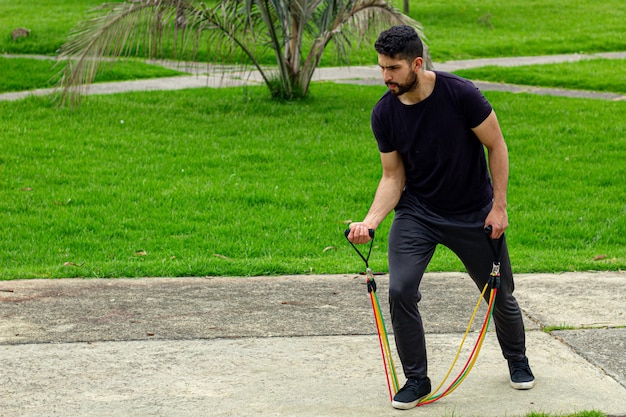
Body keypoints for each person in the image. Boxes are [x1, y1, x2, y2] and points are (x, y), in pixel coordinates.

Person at [347, 25, 535, 410]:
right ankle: (417, 379)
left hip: (472, 213)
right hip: (418, 213)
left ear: (417, 63)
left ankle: (517, 359)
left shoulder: (461, 94)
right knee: (399, 291)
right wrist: (371, 221)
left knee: (500, 295)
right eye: (382, 67)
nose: (386, 77)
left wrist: (499, 207)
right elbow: (392, 176)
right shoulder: (384, 113)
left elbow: (496, 146)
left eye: (394, 68)